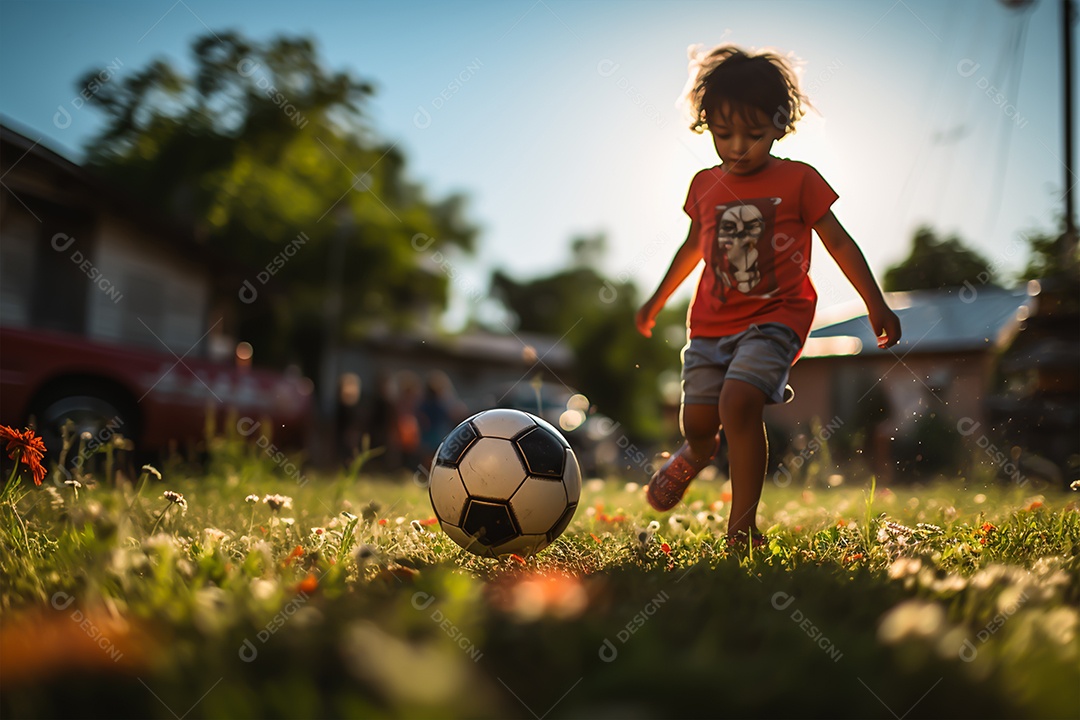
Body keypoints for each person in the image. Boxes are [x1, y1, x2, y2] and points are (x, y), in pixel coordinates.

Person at [636, 45, 901, 547]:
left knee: (739, 404)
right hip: (710, 325)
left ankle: (742, 529)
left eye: (753, 135)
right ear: (706, 126)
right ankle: (695, 453)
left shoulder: (799, 180)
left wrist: (875, 301)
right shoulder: (703, 185)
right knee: (698, 420)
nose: (738, 146)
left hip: (776, 317)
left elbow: (840, 242)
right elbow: (692, 247)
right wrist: (655, 299)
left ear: (780, 126)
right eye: (723, 133)